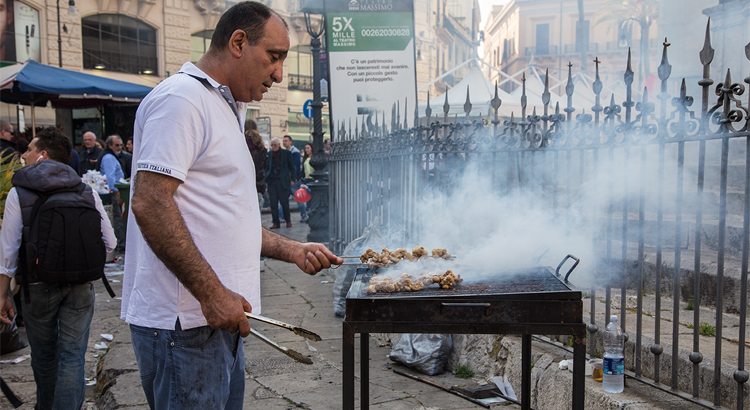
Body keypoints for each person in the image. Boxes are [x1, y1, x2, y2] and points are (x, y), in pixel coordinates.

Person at [120, 3, 342, 409]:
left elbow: (223, 221)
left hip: (218, 319)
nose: (279, 73)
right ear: (238, 42)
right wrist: (211, 293)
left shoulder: (226, 108)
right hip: (185, 323)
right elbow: (150, 203)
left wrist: (292, 249)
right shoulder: (181, 99)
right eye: (274, 57)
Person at [0, 127, 116, 410]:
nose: (23, 154)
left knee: (44, 355)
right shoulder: (85, 189)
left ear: (43, 155)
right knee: (73, 355)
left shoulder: (19, 192)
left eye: (29, 149)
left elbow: (8, 252)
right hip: (80, 286)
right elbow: (110, 243)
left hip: (37, 285)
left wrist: (2, 294)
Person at [96, 135, 126, 251]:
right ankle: (120, 244)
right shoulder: (109, 157)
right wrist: (116, 192)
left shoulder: (110, 156)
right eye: (116, 145)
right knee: (116, 218)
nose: (119, 147)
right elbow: (110, 177)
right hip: (112, 192)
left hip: (112, 191)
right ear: (109, 145)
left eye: (120, 145)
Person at [266, 137, 296, 229]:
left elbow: (292, 166)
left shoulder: (286, 153)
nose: (273, 147)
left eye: (275, 145)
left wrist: (292, 178)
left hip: (282, 181)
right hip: (272, 181)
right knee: (273, 203)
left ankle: (288, 220)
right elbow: (267, 166)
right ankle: (276, 222)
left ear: (279, 145)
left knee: (284, 202)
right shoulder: (269, 154)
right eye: (272, 145)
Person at [281, 135, 302, 221]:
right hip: (286, 178)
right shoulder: (284, 152)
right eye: (283, 141)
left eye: (286, 141)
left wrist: (295, 177)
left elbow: (296, 165)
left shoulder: (295, 151)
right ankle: (281, 216)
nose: (284, 142)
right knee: (283, 198)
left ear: (290, 142)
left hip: (293, 179)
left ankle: (303, 214)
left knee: (298, 197)